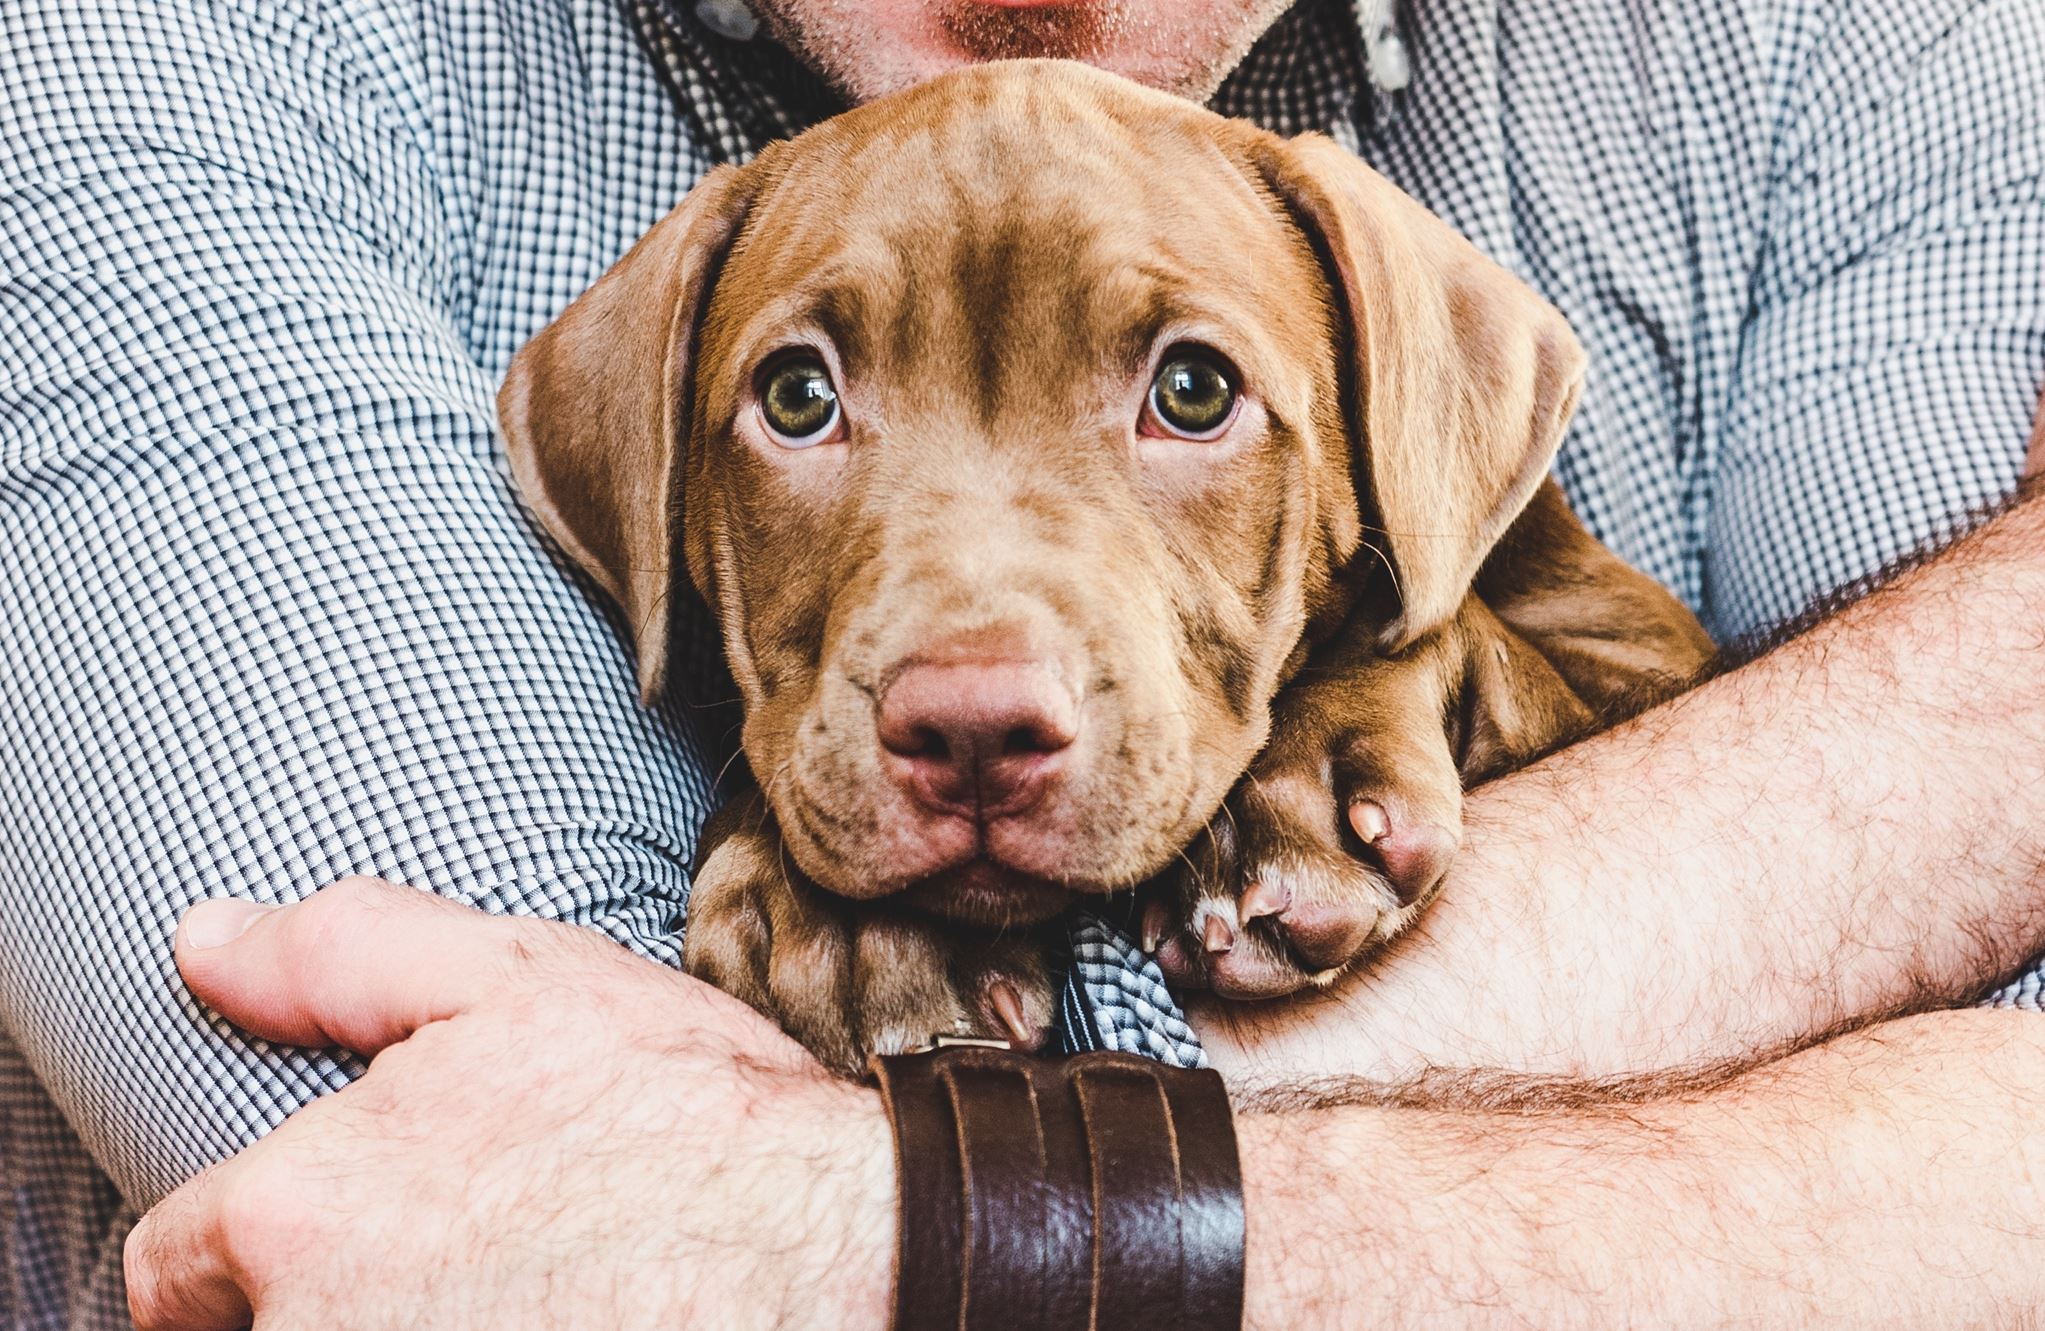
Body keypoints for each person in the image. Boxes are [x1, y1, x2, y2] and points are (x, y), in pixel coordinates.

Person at [1, 0, 2040, 1325]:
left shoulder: (1852, 48)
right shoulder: (170, 58)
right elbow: (471, 1234)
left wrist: (833, 1217)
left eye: (1186, 389)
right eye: (802, 397)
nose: (984, 674)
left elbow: (645, 1218)